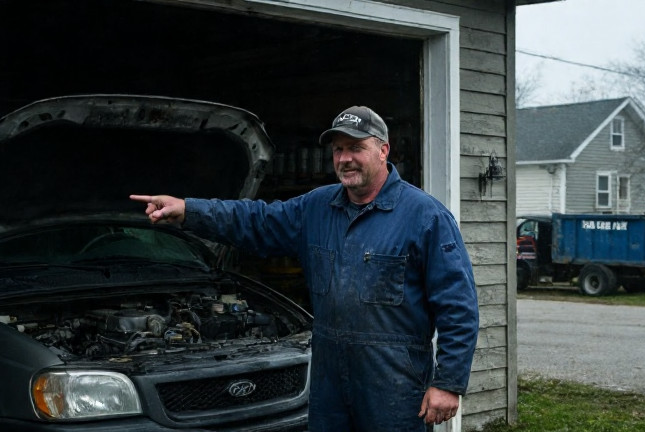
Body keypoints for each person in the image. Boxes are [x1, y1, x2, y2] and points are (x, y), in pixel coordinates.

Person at [130, 106, 478, 431]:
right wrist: (189, 210)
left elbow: (458, 307)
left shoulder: (424, 217)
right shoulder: (316, 207)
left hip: (395, 384)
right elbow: (255, 220)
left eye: (355, 148)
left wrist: (447, 384)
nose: (344, 159)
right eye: (338, 150)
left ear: (383, 151)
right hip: (330, 381)